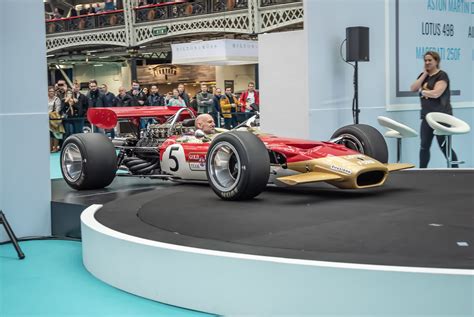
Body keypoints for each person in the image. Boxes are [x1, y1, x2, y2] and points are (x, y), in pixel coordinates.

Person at [410, 51, 458, 168]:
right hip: (427, 117)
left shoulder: (442, 75)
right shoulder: (424, 76)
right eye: (425, 60)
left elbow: (437, 93)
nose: (427, 62)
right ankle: (422, 171)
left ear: (436, 61)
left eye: (430, 60)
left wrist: (424, 92)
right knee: (424, 145)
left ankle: (456, 170)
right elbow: (413, 88)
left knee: (444, 146)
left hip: (442, 117)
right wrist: (424, 74)